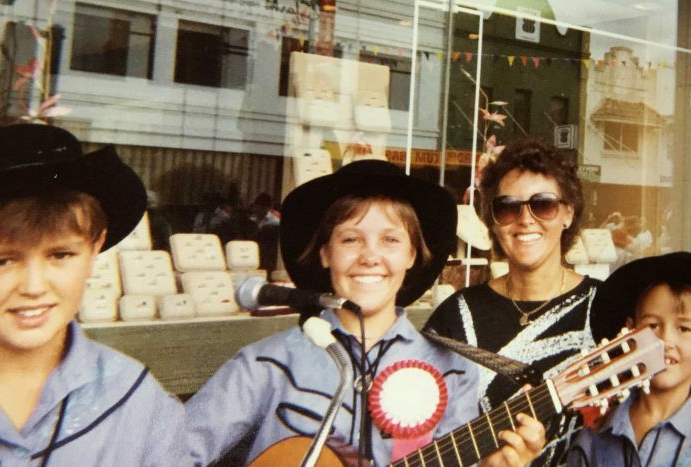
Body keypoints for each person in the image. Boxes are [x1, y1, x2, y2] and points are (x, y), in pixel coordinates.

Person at [186, 160, 545, 466]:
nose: (370, 257)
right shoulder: (265, 364)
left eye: (390, 240)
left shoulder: (452, 370)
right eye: (350, 239)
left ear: (412, 255)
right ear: (325, 253)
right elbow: (168, 453)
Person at [0, 124, 188, 466]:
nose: (34, 287)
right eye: (1, 260)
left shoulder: (136, 402)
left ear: (96, 247)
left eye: (60, 255)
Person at [425, 138, 604, 466]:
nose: (525, 219)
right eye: (508, 206)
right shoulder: (455, 317)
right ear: (493, 220)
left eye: (544, 204)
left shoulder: (606, 308)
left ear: (568, 213)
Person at [567, 252, 691, 466]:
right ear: (629, 332)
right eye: (652, 325)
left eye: (684, 328)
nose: (665, 341)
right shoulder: (594, 437)